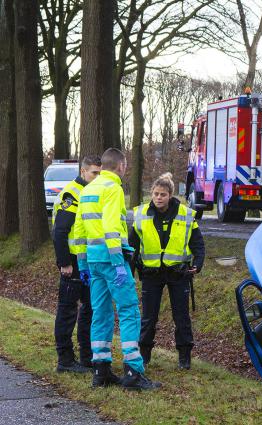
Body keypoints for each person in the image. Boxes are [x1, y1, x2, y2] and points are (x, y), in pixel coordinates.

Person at [77, 148, 160, 390]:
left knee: (100, 313)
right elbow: (112, 228)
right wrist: (118, 264)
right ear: (121, 167)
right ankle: (133, 371)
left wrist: (83, 264)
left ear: (102, 166)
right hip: (113, 261)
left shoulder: (87, 189)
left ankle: (101, 370)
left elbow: (80, 231)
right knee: (129, 311)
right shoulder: (113, 189)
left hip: (93, 262)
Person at [130, 172, 205, 370]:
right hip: (151, 274)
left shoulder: (185, 214)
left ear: (170, 194)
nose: (158, 198)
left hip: (178, 273)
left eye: (163, 194)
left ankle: (184, 357)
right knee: (148, 317)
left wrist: (198, 262)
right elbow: (132, 246)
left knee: (181, 317)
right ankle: (144, 355)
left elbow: (197, 243)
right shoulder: (141, 214)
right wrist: (130, 271)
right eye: (155, 194)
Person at [52, 155, 101, 373]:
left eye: (100, 173)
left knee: (90, 309)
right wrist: (64, 263)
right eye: (94, 173)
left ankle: (87, 357)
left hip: (89, 261)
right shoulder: (72, 194)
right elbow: (60, 231)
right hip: (72, 262)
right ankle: (65, 360)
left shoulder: (94, 192)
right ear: (83, 172)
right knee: (67, 310)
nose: (97, 177)